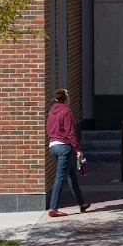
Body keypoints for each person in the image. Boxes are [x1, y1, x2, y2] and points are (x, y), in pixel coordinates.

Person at [46, 88, 90, 217]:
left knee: (71, 175)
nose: (69, 97)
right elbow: (70, 132)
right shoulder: (66, 111)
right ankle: (53, 208)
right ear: (65, 98)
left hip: (53, 146)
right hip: (64, 147)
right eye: (68, 95)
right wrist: (78, 149)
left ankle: (82, 204)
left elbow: (49, 129)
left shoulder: (51, 111)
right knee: (60, 177)